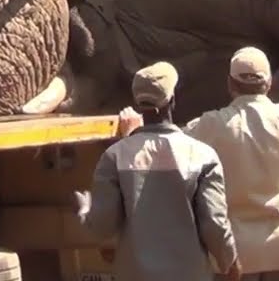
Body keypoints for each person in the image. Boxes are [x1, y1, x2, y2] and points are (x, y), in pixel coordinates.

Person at [123, 47, 279, 281]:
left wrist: (132, 132)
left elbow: (159, 151)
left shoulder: (209, 126)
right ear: (269, 83)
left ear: (230, 85)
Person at [74, 61, 242, 281]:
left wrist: (85, 210)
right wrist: (229, 260)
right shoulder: (202, 156)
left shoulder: (115, 156)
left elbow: (102, 227)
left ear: (137, 103)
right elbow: (214, 224)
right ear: (172, 101)